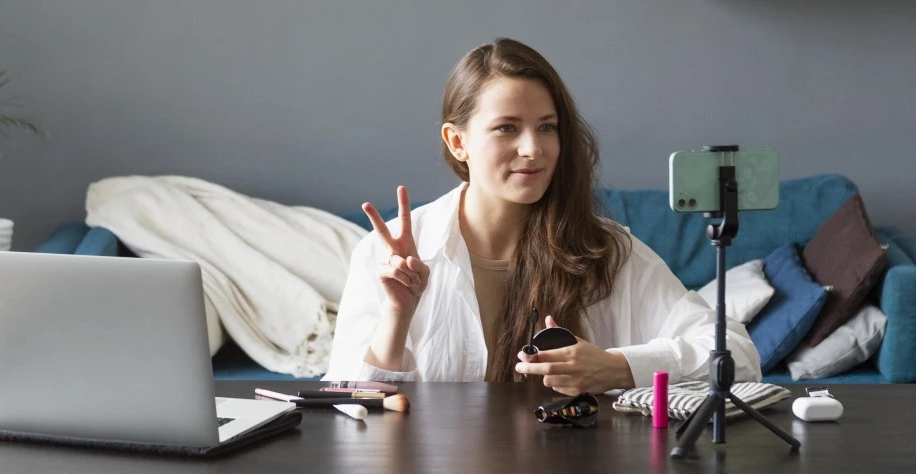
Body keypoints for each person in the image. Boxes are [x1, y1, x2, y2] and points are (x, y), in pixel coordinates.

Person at [323, 38, 760, 395]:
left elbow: (736, 353)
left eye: (547, 127)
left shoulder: (605, 250)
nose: (533, 148)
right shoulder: (390, 253)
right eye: (507, 128)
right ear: (458, 142)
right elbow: (348, 406)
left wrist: (618, 367)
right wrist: (398, 316)